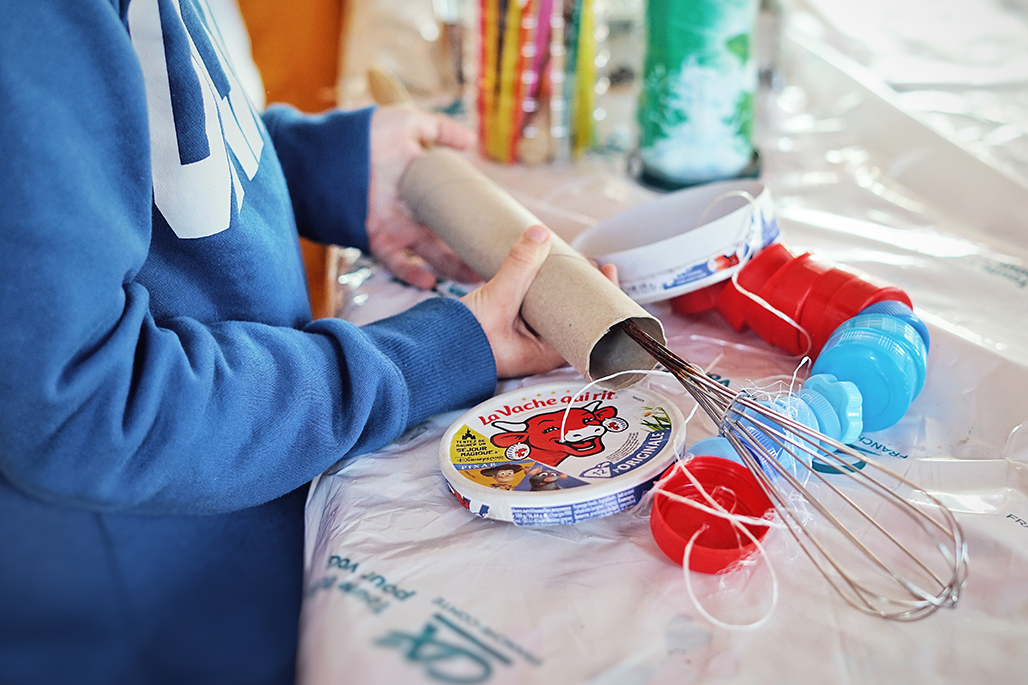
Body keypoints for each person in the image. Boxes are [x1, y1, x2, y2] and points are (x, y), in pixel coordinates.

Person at [0, 2, 610, 683]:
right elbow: (91, 409)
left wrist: (328, 165)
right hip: (153, 623)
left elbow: (131, 137)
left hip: (229, 542)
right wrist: (429, 355)